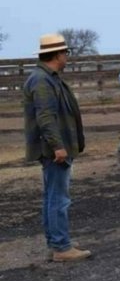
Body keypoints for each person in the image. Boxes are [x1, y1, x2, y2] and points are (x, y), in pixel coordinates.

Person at [23, 33, 92, 262]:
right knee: (58, 198)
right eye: (65, 52)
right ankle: (61, 247)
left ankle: (57, 243)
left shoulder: (48, 78)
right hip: (54, 150)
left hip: (55, 147)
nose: (67, 57)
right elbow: (45, 117)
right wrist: (58, 146)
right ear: (57, 54)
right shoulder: (42, 80)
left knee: (53, 196)